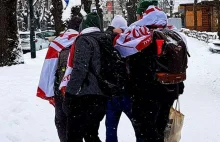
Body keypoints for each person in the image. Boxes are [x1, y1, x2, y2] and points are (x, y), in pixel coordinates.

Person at [128, 6, 186, 142]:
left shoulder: (144, 38)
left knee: (146, 130)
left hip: (148, 94)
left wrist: (132, 89)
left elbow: (137, 69)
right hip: (170, 90)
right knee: (160, 126)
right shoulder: (174, 36)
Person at [62, 12, 108, 142]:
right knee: (91, 134)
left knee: (74, 136)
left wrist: (69, 94)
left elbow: (80, 69)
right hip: (102, 95)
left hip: (84, 96)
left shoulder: (84, 40)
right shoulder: (105, 38)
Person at [104, 15, 142, 142]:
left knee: (111, 127)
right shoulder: (131, 40)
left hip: (111, 91)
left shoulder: (106, 41)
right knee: (138, 125)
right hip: (128, 92)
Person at [53, 16, 82, 142]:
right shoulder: (83, 41)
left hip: (60, 90)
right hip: (78, 90)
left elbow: (51, 68)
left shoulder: (58, 42)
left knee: (61, 121)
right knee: (75, 122)